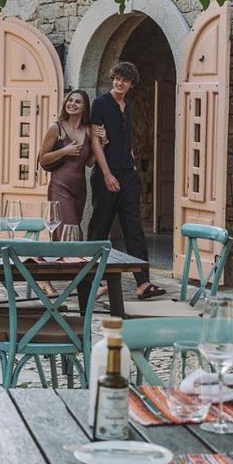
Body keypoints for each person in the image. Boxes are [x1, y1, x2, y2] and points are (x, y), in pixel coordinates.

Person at [88, 61, 164, 300]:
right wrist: (107, 173)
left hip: (127, 174)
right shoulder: (100, 104)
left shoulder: (128, 106)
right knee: (100, 227)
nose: (119, 83)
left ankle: (143, 283)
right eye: (117, 78)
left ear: (131, 84)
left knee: (134, 228)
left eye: (125, 80)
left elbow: (125, 138)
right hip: (106, 174)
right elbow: (95, 143)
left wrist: (129, 160)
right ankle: (92, 280)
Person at [38, 89, 95, 230]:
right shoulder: (56, 128)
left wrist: (103, 144)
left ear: (85, 107)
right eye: (70, 100)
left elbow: (89, 163)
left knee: (72, 228)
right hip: (59, 187)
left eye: (77, 101)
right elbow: (43, 159)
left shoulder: (88, 130)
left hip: (79, 189)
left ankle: (56, 253)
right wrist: (65, 151)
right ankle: (70, 253)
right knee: (69, 230)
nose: (72, 104)